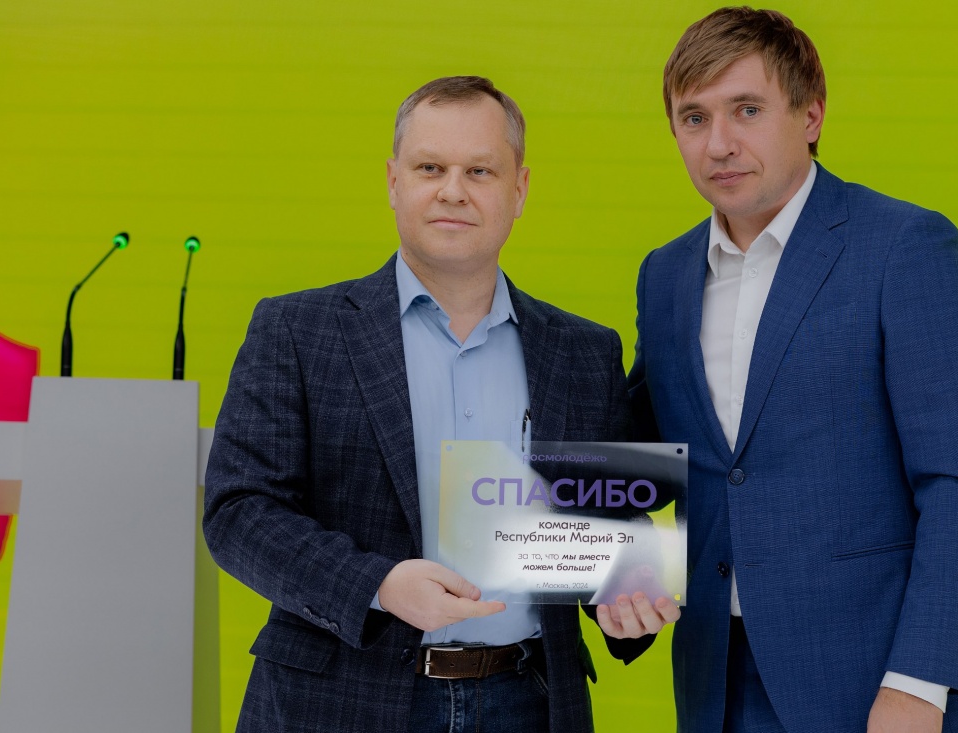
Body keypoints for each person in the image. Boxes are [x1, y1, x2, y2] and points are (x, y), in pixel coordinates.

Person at [203, 75, 669, 733]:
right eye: (430, 168)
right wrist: (377, 584)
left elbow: (608, 518)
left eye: (480, 170)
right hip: (339, 703)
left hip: (529, 702)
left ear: (519, 190)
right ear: (394, 182)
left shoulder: (585, 353)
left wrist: (627, 584)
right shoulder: (298, 330)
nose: (453, 190)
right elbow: (239, 511)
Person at [623, 8, 958, 733]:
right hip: (711, 681)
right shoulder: (664, 274)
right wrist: (613, 569)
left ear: (811, 115)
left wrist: (920, 682)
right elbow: (642, 458)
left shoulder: (906, 248)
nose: (720, 143)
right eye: (694, 118)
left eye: (747, 110)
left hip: (870, 688)